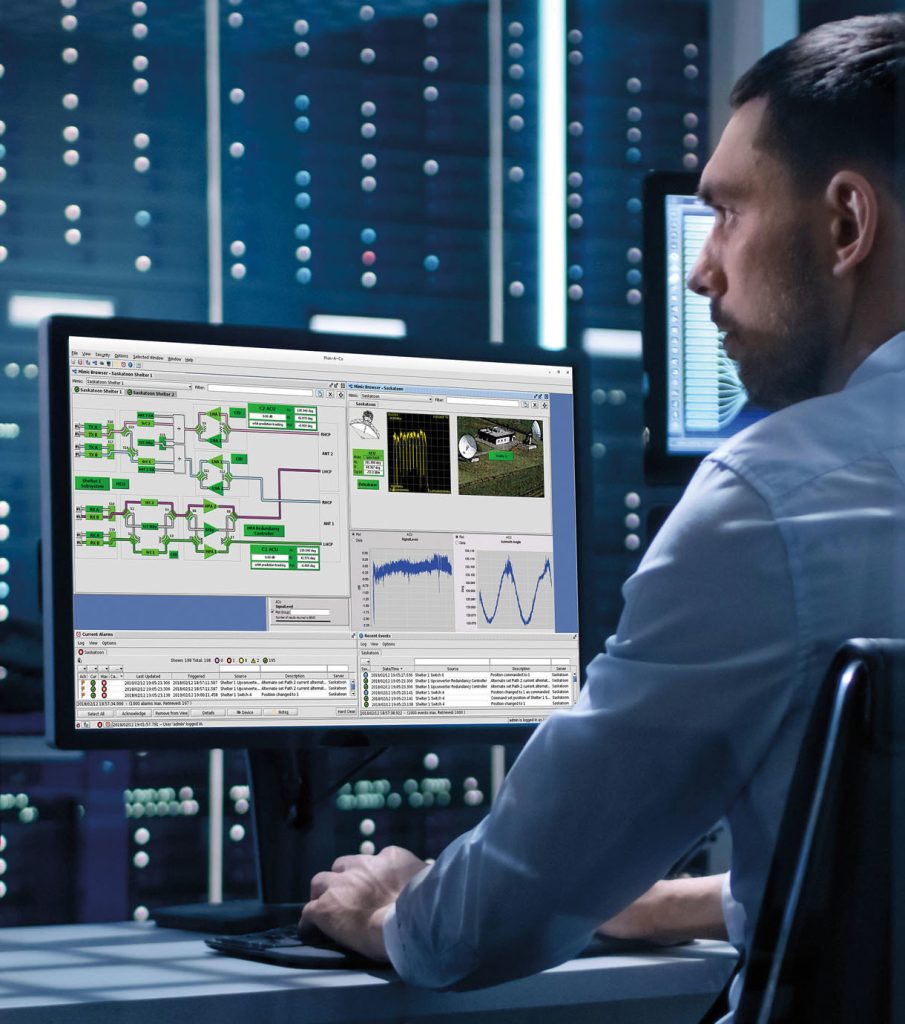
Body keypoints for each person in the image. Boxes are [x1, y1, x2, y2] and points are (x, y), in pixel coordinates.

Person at [301, 11, 905, 1012]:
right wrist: (670, 903)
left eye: (726, 213)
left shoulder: (771, 500)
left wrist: (391, 914)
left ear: (844, 224)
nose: (698, 267)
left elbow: (500, 908)